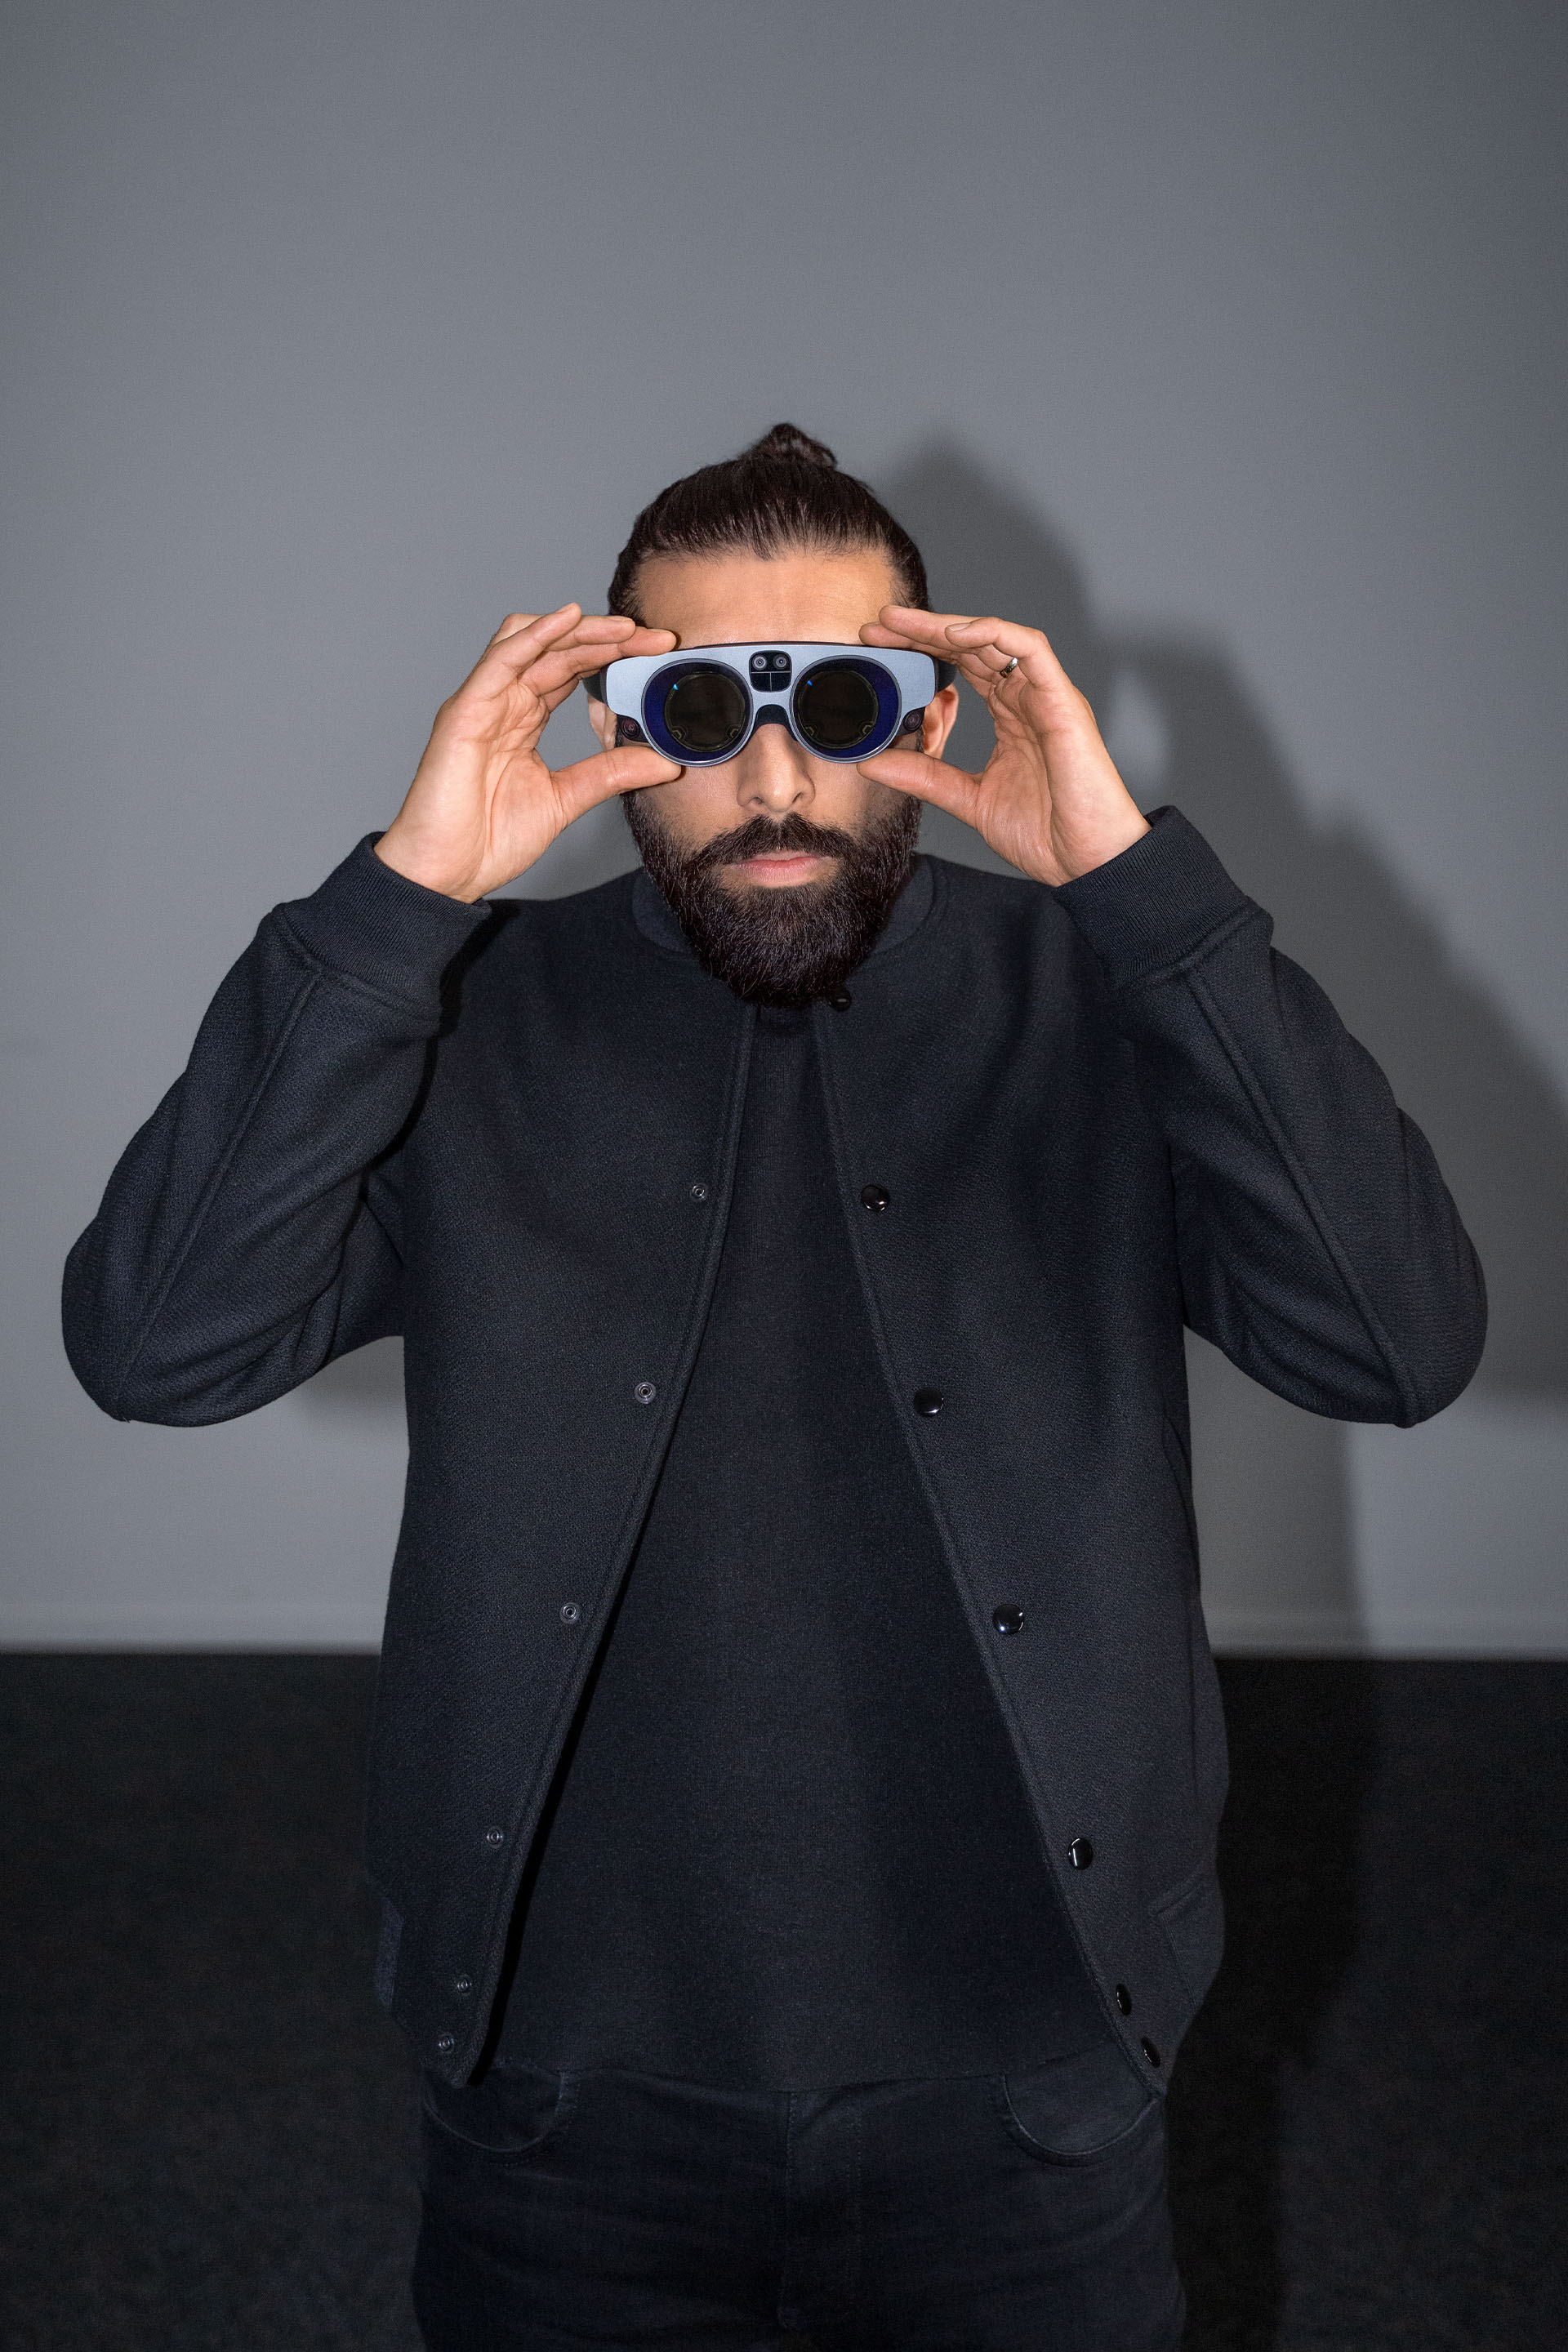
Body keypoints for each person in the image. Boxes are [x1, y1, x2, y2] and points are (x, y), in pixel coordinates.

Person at [62, 423, 1486, 2350]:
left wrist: (1134, 889)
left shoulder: (1105, 995)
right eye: (695, 704)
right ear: (605, 720)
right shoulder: (462, 1016)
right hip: (565, 2084)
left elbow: (1396, 1344)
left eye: (839, 695)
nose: (775, 773)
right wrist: (404, 894)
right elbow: (156, 1345)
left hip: (1031, 2066)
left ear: (937, 704)